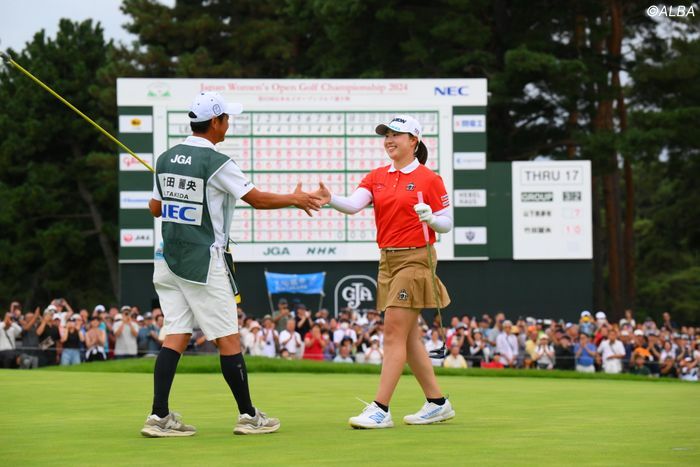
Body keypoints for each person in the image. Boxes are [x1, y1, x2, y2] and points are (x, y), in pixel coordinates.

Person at [142, 92, 322, 438]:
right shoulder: (217, 162)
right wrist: (295, 199)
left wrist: (180, 199)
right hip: (202, 262)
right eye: (226, 118)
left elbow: (154, 208)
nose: (228, 124)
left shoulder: (165, 158)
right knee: (228, 339)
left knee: (175, 334)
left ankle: (159, 416)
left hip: (167, 259)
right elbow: (254, 198)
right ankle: (249, 415)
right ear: (214, 122)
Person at [315, 115, 454, 429]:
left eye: (397, 135)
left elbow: (446, 222)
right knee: (409, 337)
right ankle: (437, 403)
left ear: (413, 141)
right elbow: (353, 204)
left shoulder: (429, 179)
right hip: (386, 261)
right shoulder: (377, 176)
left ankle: (381, 408)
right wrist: (331, 199)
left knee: (392, 330)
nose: (390, 140)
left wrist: (431, 218)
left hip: (417, 259)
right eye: (387, 135)